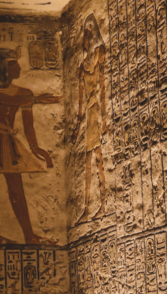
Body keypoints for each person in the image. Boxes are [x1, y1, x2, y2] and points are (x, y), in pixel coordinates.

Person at [0, 48, 58, 245]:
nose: (18, 67)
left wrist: (36, 148)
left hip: (9, 142)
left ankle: (27, 235)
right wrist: (33, 100)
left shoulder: (23, 93)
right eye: (12, 63)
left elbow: (28, 125)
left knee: (14, 186)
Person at [72, 14, 108, 225]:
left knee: (98, 159)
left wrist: (104, 120)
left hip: (95, 112)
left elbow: (102, 88)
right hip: (88, 115)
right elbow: (79, 104)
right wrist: (77, 127)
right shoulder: (80, 68)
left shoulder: (98, 58)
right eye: (84, 34)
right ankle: (86, 207)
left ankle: (103, 203)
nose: (86, 36)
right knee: (88, 161)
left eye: (89, 32)